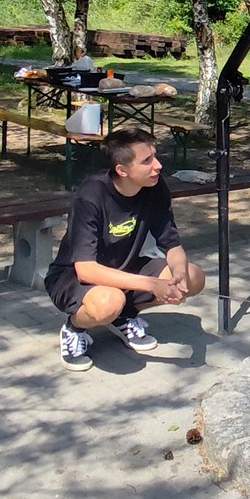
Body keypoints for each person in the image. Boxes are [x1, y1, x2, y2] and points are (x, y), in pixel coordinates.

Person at [45, 127, 204, 371]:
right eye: (147, 161)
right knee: (109, 301)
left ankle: (123, 316)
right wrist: (153, 285)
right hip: (72, 277)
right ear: (122, 170)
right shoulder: (91, 194)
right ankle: (75, 328)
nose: (158, 166)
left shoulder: (155, 187)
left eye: (155, 156)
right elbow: (86, 270)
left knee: (194, 277)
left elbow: (172, 244)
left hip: (125, 268)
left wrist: (179, 275)